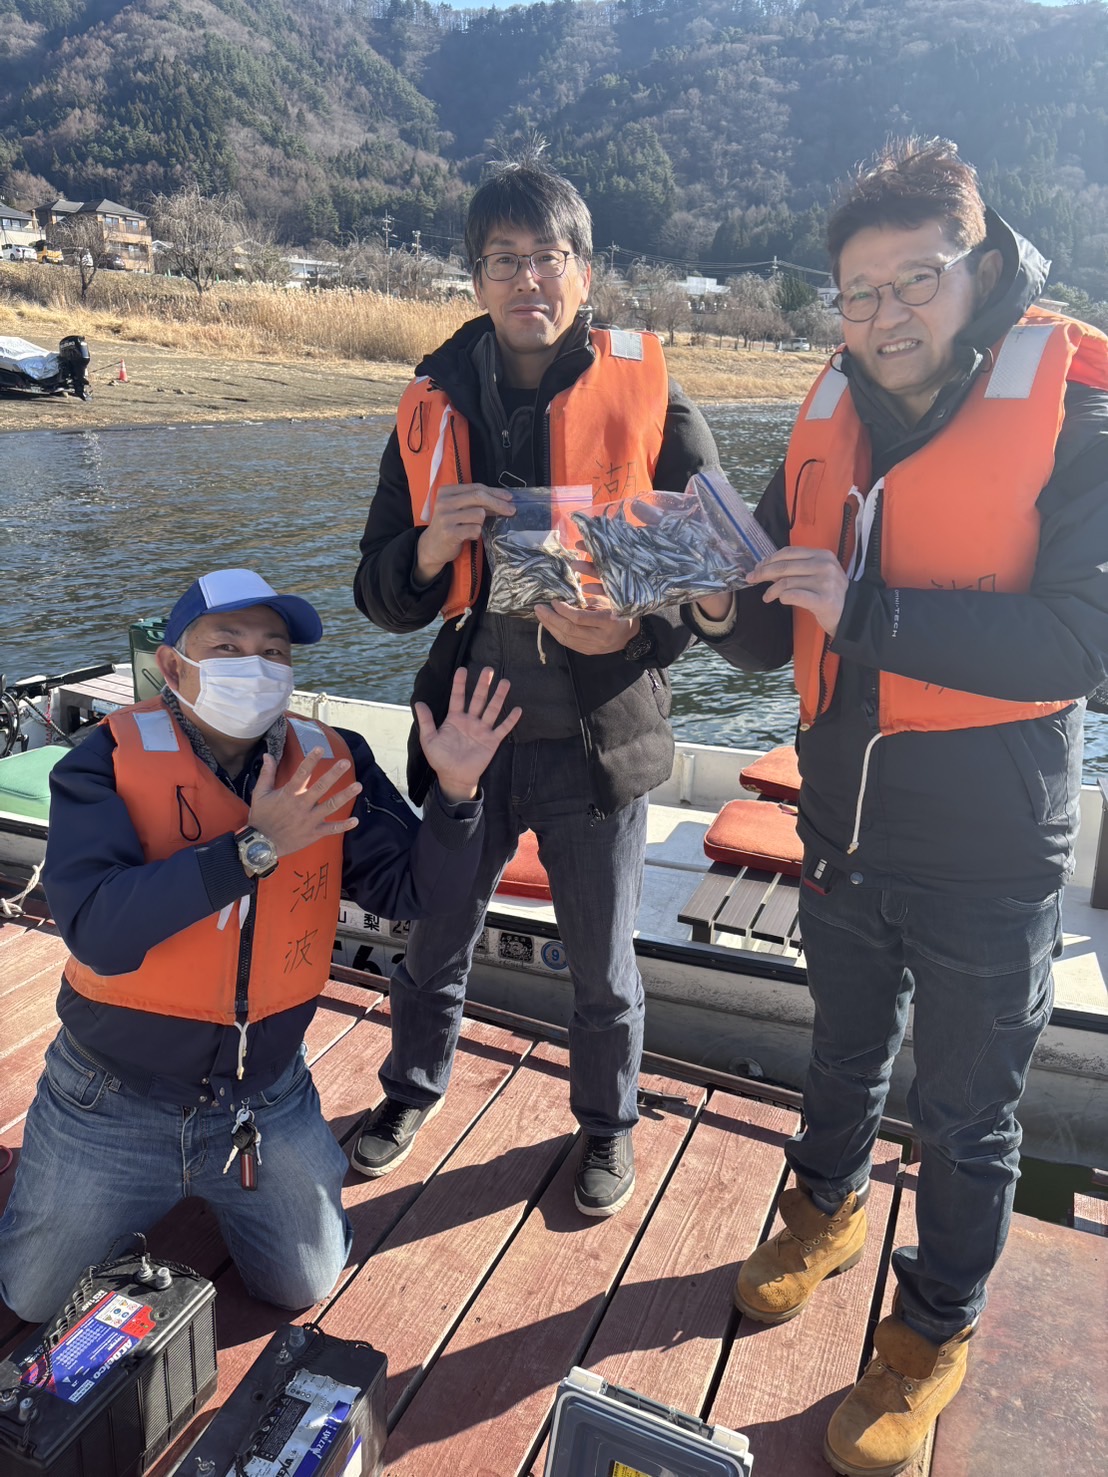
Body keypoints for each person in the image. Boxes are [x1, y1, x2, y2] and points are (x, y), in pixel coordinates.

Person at [688, 139, 1108, 1476]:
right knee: (842, 1049)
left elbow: (1080, 643)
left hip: (990, 846)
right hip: (841, 822)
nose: (884, 316)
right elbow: (773, 627)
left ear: (976, 267)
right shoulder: (829, 404)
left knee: (970, 1113)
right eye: (858, 293)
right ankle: (826, 1207)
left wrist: (865, 610)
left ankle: (933, 1328)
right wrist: (715, 605)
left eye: (915, 279)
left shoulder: (1076, 409)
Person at [0, 568, 519, 1323]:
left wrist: (456, 795)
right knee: (33, 1297)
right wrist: (251, 848)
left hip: (262, 1093)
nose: (257, 666)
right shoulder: (103, 762)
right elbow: (100, 935)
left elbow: (417, 893)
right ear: (174, 666)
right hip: (110, 1097)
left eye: (274, 651)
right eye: (229, 646)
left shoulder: (334, 760)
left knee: (304, 1283)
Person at [353, 150, 719, 1216]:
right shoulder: (429, 401)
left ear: (584, 272)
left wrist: (632, 630)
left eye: (547, 256)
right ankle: (410, 1090)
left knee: (602, 964)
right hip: (470, 728)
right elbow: (379, 593)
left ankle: (608, 1125)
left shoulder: (649, 391)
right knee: (436, 936)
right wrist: (429, 550)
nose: (527, 279)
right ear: (475, 277)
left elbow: (711, 570)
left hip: (597, 733)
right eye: (502, 259)